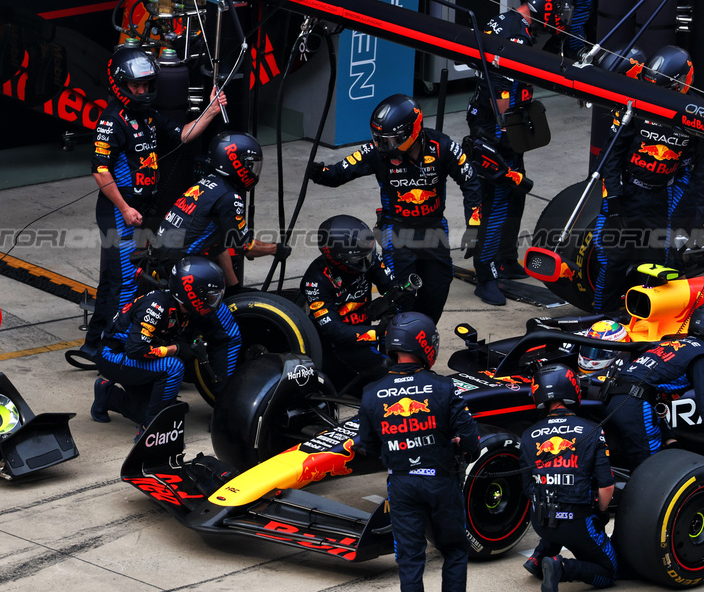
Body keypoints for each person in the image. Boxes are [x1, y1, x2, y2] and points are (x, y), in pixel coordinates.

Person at [356, 312, 481, 592]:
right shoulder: (443, 387)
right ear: (424, 343)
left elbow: (365, 446)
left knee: (410, 564)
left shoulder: (371, 393)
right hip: (440, 483)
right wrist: (454, 444)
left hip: (403, 486)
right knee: (455, 551)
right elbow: (471, 441)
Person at [84, 44, 225, 355]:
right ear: (120, 84)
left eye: (147, 85)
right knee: (125, 283)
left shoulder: (149, 116)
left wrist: (212, 109)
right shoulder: (111, 122)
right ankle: (114, 350)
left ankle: (95, 343)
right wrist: (125, 208)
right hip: (117, 212)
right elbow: (100, 171)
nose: (143, 91)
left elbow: (185, 136)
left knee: (115, 279)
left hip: (137, 211)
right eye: (136, 85)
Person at [310, 94, 481, 323]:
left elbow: (470, 181)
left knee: (438, 287)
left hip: (434, 228)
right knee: (400, 293)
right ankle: (396, 342)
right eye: (380, 139)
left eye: (390, 140)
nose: (383, 146)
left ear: (412, 131)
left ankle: (420, 333)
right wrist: (319, 173)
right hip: (396, 229)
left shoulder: (443, 147)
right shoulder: (376, 151)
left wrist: (474, 225)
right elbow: (339, 172)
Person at [467, 0, 569, 305]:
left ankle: (506, 260)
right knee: (497, 200)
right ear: (548, 10)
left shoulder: (509, 21)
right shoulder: (513, 36)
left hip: (507, 126)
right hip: (496, 128)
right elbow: (500, 93)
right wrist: (505, 133)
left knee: (515, 194)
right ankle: (485, 274)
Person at [593, 46, 704, 312]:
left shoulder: (702, 115)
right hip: (627, 192)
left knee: (656, 265)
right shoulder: (635, 101)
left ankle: (641, 318)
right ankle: (599, 316)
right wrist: (613, 200)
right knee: (611, 259)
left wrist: (699, 220)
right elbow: (611, 155)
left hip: (663, 196)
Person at [91, 256, 239, 434]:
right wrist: (176, 349)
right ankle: (152, 431)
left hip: (139, 356)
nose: (214, 302)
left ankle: (106, 395)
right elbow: (135, 350)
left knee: (159, 411)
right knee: (173, 367)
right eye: (210, 297)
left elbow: (227, 335)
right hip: (114, 355)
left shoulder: (185, 306)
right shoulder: (156, 307)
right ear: (193, 294)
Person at [602, 301, 704, 469]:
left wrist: (669, 437)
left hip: (614, 400)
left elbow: (649, 393)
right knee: (653, 473)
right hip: (634, 404)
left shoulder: (672, 345)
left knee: (633, 465)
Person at [519, 364, 618, 592]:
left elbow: (527, 488)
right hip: (577, 524)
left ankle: (536, 559)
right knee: (610, 571)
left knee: (552, 501)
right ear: (573, 390)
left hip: (541, 522)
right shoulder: (592, 430)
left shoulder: (528, 434)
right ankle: (561, 568)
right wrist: (601, 513)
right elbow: (607, 486)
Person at [153, 131, 280, 291]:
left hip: (163, 262)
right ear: (236, 163)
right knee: (219, 314)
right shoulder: (228, 197)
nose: (253, 171)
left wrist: (234, 288)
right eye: (250, 165)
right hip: (178, 270)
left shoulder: (206, 184)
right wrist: (276, 249)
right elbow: (246, 247)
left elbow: (218, 246)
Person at [301, 214, 396, 392]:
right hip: (337, 349)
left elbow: (392, 287)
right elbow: (335, 332)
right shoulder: (316, 281)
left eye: (369, 255)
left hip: (363, 337)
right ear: (338, 259)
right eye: (361, 259)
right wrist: (376, 332)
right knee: (392, 382)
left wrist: (390, 303)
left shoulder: (367, 257)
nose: (368, 261)